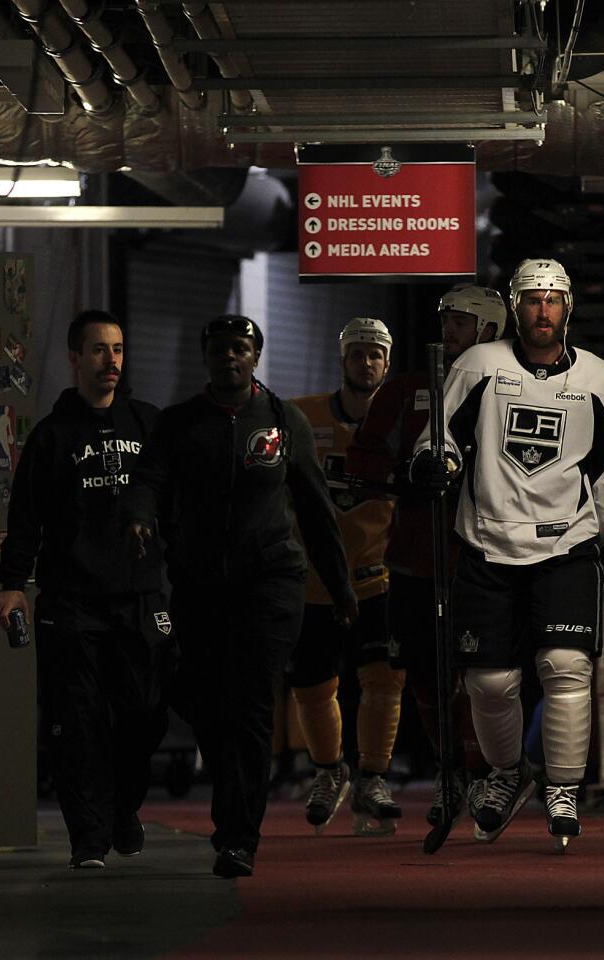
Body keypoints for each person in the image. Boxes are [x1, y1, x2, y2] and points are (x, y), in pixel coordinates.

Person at [410, 259, 604, 845]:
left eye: (553, 300)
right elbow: (435, 438)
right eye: (532, 299)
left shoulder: (599, 380)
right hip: (487, 543)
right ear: (515, 308)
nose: (543, 310)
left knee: (565, 668)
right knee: (489, 683)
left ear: (569, 308)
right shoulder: (476, 366)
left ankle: (562, 788)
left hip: (567, 543)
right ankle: (508, 772)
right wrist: (433, 463)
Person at [123, 314, 356, 879]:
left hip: (270, 584)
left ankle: (237, 837)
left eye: (240, 349)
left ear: (255, 358)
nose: (230, 357)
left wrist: (341, 586)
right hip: (200, 587)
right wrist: (138, 518)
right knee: (204, 703)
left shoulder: (282, 421)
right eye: (220, 349)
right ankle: (232, 806)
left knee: (251, 706)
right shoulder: (181, 424)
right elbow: (148, 481)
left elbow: (317, 512)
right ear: (207, 357)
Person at [0, 308, 171, 870]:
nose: (111, 360)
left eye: (118, 349)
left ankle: (124, 808)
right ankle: (88, 838)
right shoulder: (51, 436)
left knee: (144, 713)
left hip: (141, 596)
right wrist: (13, 585)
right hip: (71, 600)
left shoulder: (149, 424)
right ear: (75, 358)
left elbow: (179, 502)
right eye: (98, 350)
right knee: (77, 721)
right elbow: (25, 518)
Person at [347, 284, 506, 829]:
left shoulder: (509, 387)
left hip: (486, 558)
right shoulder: (409, 389)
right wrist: (403, 475)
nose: (449, 330)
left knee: (480, 673)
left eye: (461, 321)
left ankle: (487, 774)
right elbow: (364, 458)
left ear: (489, 329)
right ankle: (452, 773)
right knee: (423, 674)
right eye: (446, 319)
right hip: (416, 557)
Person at [289, 317, 403, 836]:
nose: (367, 362)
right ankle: (330, 769)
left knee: (383, 679)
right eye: (358, 353)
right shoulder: (301, 416)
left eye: (375, 353)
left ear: (387, 361)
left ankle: (373, 777)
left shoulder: (402, 423)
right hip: (314, 577)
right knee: (313, 685)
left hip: (376, 575)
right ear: (343, 360)